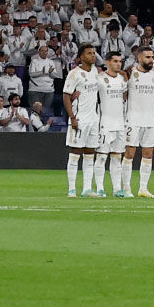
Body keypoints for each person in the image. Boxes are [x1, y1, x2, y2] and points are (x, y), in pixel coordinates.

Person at [62, 46, 103, 197]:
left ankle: (87, 189)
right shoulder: (74, 74)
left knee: (89, 153)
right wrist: (72, 117)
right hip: (79, 118)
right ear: (80, 57)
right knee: (75, 153)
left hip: (93, 119)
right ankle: (71, 189)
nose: (93, 56)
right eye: (89, 53)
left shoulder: (95, 71)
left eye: (93, 53)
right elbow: (66, 95)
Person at [125, 47, 154, 198]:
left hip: (150, 120)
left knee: (148, 154)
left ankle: (143, 189)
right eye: (147, 57)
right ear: (139, 58)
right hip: (133, 120)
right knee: (129, 154)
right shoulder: (130, 73)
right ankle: (126, 188)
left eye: (152, 57)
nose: (150, 60)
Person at [98, 52, 131, 198]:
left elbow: (125, 97)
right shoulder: (99, 79)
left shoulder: (122, 80)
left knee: (117, 157)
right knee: (101, 157)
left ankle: (117, 189)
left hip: (120, 123)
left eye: (120, 61)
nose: (119, 64)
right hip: (104, 123)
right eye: (115, 61)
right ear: (107, 62)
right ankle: (100, 188)